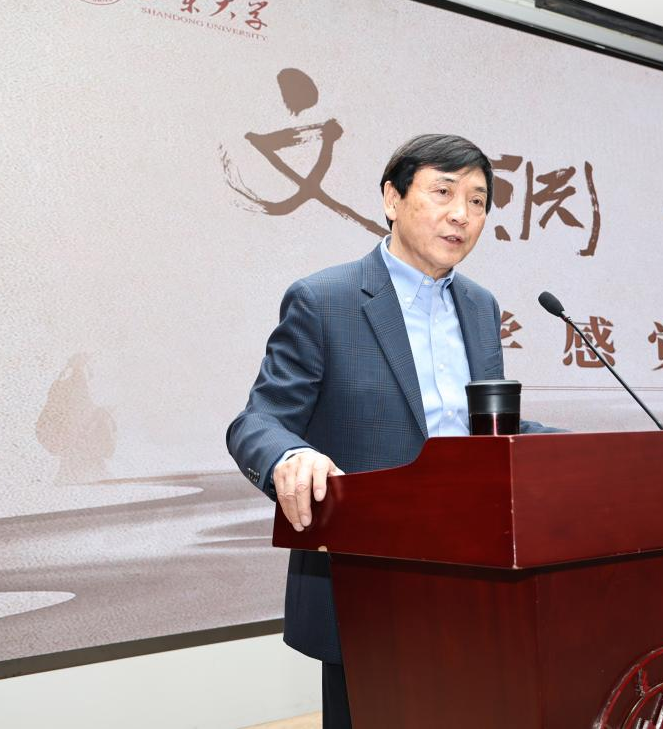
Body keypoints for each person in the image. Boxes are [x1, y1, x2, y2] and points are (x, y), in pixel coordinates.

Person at [226, 133, 552, 728]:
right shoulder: (324, 300)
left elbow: (480, 430)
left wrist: (568, 448)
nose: (462, 214)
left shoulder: (480, 306)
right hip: (370, 582)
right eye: (443, 192)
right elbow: (259, 420)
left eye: (478, 201)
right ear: (392, 199)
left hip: (479, 574)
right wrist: (290, 456)